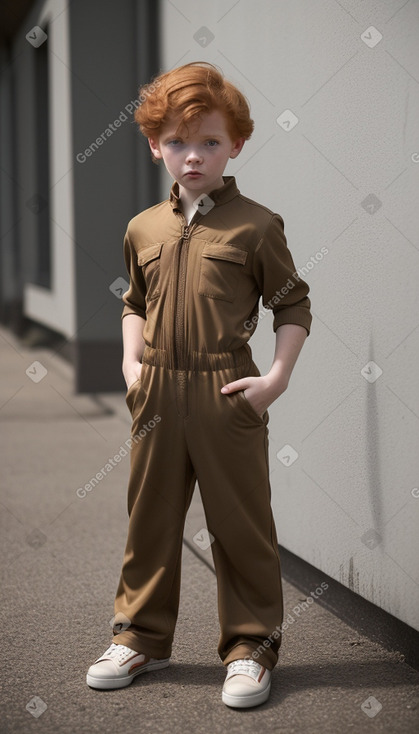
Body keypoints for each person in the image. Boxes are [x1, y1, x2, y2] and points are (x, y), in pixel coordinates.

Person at [86, 61, 312, 709]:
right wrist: (132, 366)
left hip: (226, 390)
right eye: (178, 142)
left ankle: (249, 650)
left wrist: (273, 379)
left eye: (209, 142)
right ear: (155, 144)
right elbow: (134, 301)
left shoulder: (256, 226)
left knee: (239, 524)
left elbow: (292, 305)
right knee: (149, 521)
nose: (193, 157)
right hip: (156, 390)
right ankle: (138, 638)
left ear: (235, 144)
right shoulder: (142, 228)